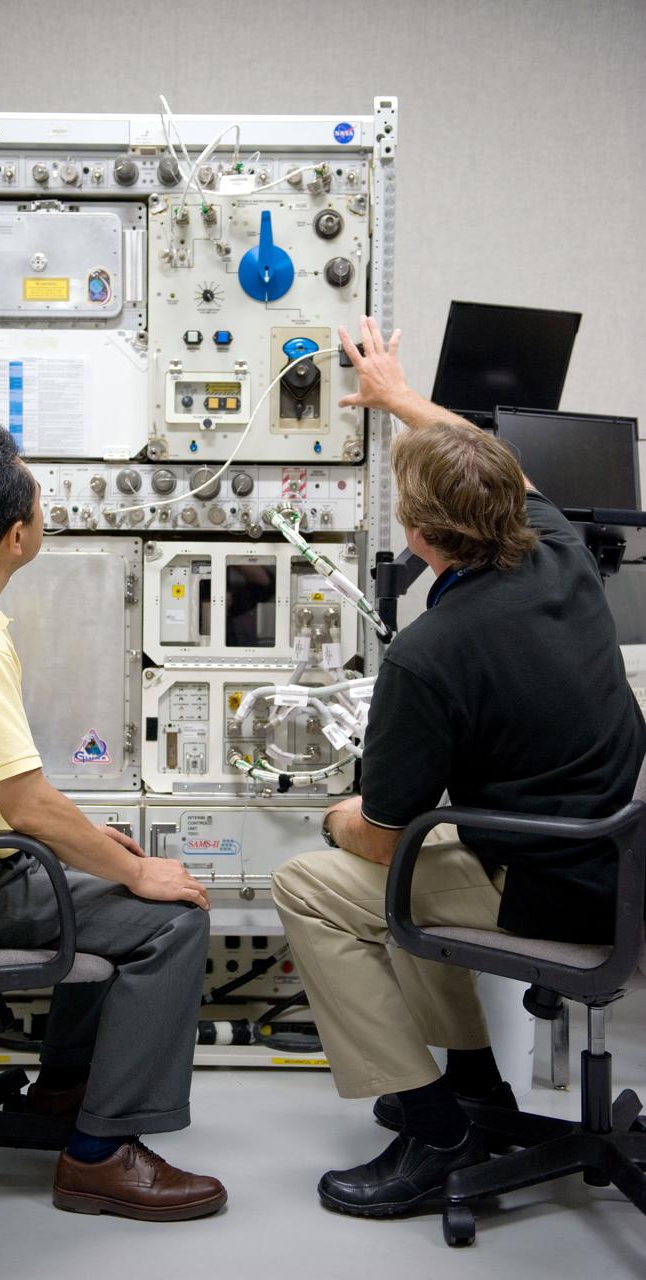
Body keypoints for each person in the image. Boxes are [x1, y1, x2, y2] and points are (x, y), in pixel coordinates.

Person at [272, 316, 645, 1219]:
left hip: (551, 893)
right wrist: (399, 396)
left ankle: (436, 1130)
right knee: (426, 860)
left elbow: (378, 839)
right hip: (616, 863)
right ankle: (477, 1086)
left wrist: (334, 813)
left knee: (316, 882)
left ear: (416, 535)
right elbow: (507, 470)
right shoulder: (559, 553)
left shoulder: (428, 654)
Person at [0, 423, 227, 1223]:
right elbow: (25, 807)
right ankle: (100, 1155)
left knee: (109, 882)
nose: (43, 503)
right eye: (37, 495)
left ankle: (65, 1094)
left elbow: (10, 792)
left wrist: (102, 853)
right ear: (16, 536)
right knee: (171, 919)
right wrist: (135, 870)